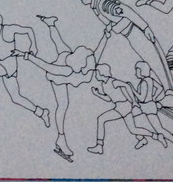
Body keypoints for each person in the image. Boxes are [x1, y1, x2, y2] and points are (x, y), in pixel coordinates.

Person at [17, 15, 109, 162]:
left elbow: (99, 50)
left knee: (61, 47)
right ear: (81, 67)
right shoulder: (66, 70)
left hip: (68, 60)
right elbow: (47, 66)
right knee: (63, 105)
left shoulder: (89, 61)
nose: (92, 70)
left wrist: (105, 35)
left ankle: (50, 24)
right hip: (59, 78)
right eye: (89, 68)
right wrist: (27, 56)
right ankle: (61, 138)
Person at [77, 0, 173, 93]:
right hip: (131, 34)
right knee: (152, 63)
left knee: (156, 62)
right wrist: (110, 26)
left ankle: (170, 91)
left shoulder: (102, 3)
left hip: (136, 33)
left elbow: (127, 12)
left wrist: (145, 28)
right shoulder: (96, 4)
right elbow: (114, 19)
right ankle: (167, 91)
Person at [0, 11, 50, 127]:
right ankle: (41, 112)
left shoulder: (8, 30)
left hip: (10, 62)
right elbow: (1, 50)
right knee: (16, 97)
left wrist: (33, 46)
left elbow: (28, 30)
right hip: (5, 66)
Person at [87, 63, 165, 154]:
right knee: (133, 129)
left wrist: (133, 102)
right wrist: (98, 94)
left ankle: (99, 146)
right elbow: (109, 99)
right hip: (120, 106)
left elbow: (126, 86)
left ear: (102, 73)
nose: (95, 75)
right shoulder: (104, 84)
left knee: (101, 119)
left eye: (96, 72)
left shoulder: (113, 82)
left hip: (123, 106)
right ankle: (155, 136)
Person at [130, 61, 173, 158]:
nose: (135, 72)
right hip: (147, 106)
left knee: (159, 129)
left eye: (137, 70)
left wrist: (132, 89)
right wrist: (154, 98)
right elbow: (160, 89)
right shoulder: (150, 80)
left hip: (147, 106)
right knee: (134, 123)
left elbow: (142, 98)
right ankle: (142, 138)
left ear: (141, 70)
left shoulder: (144, 82)